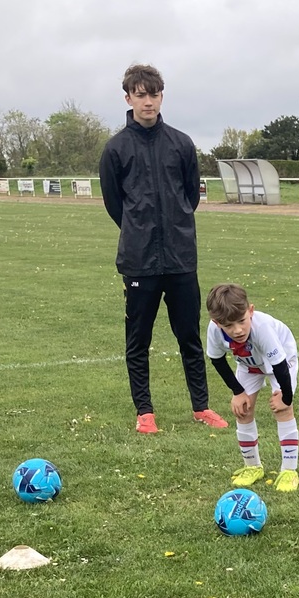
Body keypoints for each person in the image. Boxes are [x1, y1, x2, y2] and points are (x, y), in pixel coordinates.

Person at [98, 62, 227, 434]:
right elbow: (114, 204)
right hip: (139, 261)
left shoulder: (181, 144)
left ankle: (201, 407)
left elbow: (190, 197)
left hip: (181, 258)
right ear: (128, 98)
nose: (148, 102)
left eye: (153, 94)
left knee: (189, 336)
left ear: (161, 96)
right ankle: (145, 412)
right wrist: (138, 229)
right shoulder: (115, 149)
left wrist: (175, 226)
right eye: (140, 95)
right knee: (139, 340)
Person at [205, 283, 299, 493]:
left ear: (250, 311)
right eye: (228, 325)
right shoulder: (214, 330)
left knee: (283, 410)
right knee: (243, 409)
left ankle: (289, 470)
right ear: (216, 322)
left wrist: (286, 397)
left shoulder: (263, 328)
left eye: (242, 321)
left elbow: (279, 366)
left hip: (281, 362)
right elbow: (217, 360)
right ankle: (252, 467)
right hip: (249, 365)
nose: (237, 330)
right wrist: (238, 392)